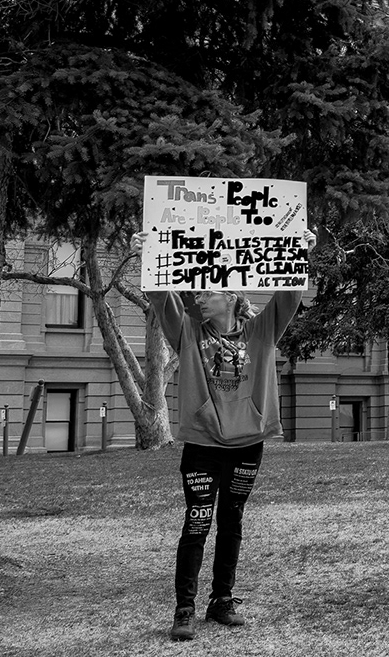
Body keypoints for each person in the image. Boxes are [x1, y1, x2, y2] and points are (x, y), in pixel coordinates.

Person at [152, 259, 313, 642]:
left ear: (231, 296)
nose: (200, 298)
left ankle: (221, 601)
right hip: (203, 444)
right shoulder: (189, 332)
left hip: (246, 445)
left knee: (232, 521)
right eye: (199, 292)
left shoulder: (261, 332)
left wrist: (300, 253)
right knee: (197, 523)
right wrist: (148, 257)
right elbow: (161, 296)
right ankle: (184, 609)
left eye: (208, 292)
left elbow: (290, 293)